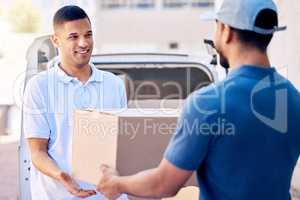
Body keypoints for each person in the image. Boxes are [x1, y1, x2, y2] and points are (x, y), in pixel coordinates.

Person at [96, 0, 300, 199]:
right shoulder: (293, 99)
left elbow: (163, 185)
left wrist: (116, 183)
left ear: (226, 31)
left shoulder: (208, 103)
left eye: (216, 26)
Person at [23, 5, 128, 200]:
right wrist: (63, 177)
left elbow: (122, 145)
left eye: (88, 35)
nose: (84, 43)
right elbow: (37, 152)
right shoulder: (39, 87)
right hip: (58, 196)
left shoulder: (114, 84)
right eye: (73, 37)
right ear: (56, 40)